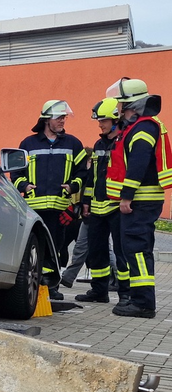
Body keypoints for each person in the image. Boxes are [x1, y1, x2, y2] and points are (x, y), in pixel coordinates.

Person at [105, 78, 172, 318]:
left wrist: (126, 197)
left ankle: (143, 303)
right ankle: (138, 298)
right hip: (143, 199)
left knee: (138, 249)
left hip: (140, 200)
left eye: (121, 105)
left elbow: (138, 164)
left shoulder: (143, 128)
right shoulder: (142, 127)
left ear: (131, 105)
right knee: (135, 249)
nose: (119, 110)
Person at [11, 100, 88, 300]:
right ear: (47, 120)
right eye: (59, 117)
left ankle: (51, 286)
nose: (63, 121)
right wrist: (24, 185)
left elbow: (83, 172)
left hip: (59, 209)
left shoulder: (73, 143)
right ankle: (35, 286)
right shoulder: (28, 144)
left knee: (56, 248)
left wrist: (73, 186)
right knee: (36, 247)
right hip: (34, 209)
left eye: (64, 117)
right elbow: (16, 172)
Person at [73, 98, 129, 305]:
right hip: (96, 207)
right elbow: (92, 177)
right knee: (96, 251)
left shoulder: (124, 141)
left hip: (116, 206)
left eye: (103, 121)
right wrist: (86, 201)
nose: (100, 124)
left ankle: (125, 294)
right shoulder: (99, 144)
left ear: (115, 120)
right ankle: (99, 291)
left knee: (122, 252)